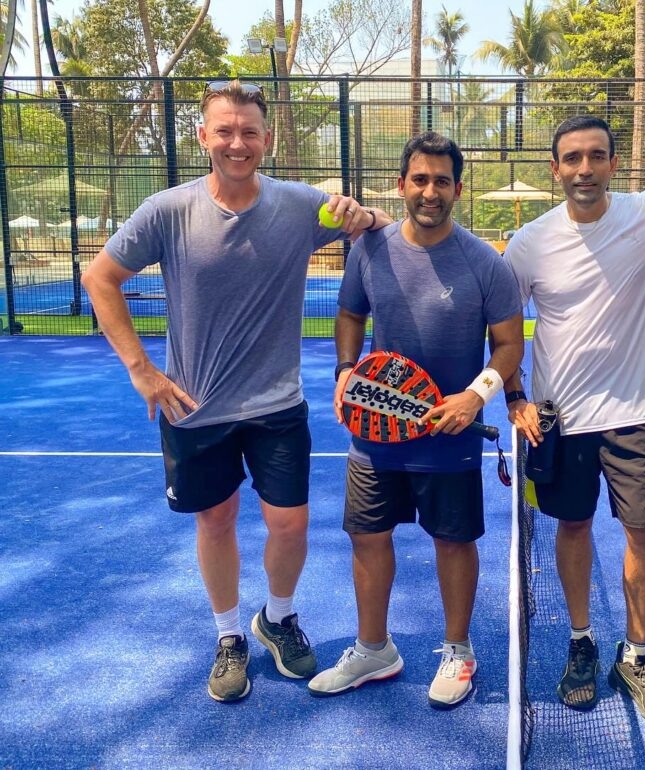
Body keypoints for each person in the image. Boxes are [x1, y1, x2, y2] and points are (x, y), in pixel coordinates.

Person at [82, 79, 391, 703]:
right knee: (216, 521)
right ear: (203, 137)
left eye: (249, 131)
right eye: (224, 130)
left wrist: (365, 212)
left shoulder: (302, 206)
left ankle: (276, 620)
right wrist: (142, 369)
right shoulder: (167, 210)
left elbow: (377, 225)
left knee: (290, 525)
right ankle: (229, 638)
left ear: (267, 139)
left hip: (277, 406)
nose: (237, 142)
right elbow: (100, 276)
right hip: (194, 408)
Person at [500, 115, 645, 726]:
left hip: (636, 416)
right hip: (556, 420)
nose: (584, 169)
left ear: (613, 163)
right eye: (571, 158)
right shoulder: (529, 243)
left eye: (595, 156)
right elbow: (500, 327)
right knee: (570, 529)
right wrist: (514, 399)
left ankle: (636, 653)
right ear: (555, 168)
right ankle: (581, 642)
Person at [307, 131, 524, 709]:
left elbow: (508, 348)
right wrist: (345, 371)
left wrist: (475, 397)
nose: (430, 192)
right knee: (367, 535)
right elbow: (351, 314)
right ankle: (374, 648)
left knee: (454, 541)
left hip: (449, 437)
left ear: (458, 188)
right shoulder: (369, 249)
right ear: (401, 185)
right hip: (374, 434)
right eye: (419, 180)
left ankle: (458, 650)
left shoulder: (485, 263)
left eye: (441, 182)